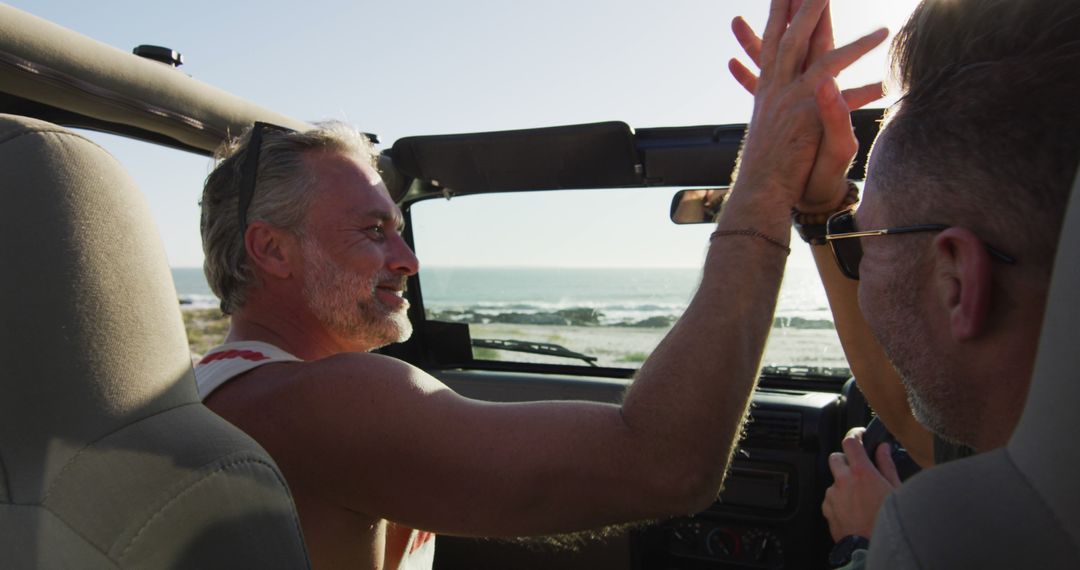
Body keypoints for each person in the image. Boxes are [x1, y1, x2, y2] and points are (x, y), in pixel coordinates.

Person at [193, 1, 885, 568]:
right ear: (272, 251)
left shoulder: (239, 391)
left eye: (400, 228)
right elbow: (664, 462)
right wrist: (765, 179)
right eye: (374, 231)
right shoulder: (317, 403)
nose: (408, 258)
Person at [729, 0, 1080, 566]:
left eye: (862, 240)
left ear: (958, 283)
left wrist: (868, 547)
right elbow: (922, 416)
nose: (860, 265)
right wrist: (822, 207)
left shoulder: (937, 543)